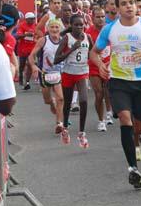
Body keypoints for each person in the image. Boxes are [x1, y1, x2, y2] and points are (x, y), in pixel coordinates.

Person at [90, 0, 141, 189]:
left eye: (131, 2)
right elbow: (94, 52)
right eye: (124, 3)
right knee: (124, 118)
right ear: (117, 8)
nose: (129, 6)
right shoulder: (109, 29)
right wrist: (99, 65)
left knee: (139, 124)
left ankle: (137, 140)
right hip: (119, 81)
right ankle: (132, 168)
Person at [54, 14, 93, 148]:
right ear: (71, 26)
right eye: (76, 25)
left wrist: (100, 65)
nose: (79, 27)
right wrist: (72, 49)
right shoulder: (67, 38)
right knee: (68, 103)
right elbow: (56, 59)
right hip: (68, 73)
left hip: (82, 73)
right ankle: (65, 128)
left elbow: (93, 53)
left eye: (81, 25)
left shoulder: (88, 37)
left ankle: (81, 133)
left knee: (84, 100)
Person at [29, 19, 65, 134]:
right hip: (45, 74)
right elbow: (31, 56)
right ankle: (51, 103)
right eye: (52, 27)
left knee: (60, 98)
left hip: (59, 73)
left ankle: (59, 123)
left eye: (56, 27)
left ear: (60, 29)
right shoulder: (43, 40)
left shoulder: (64, 41)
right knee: (47, 100)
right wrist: (34, 67)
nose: (54, 30)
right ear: (48, 29)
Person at [86, 8, 113, 132]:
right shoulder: (88, 32)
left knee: (108, 91)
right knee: (99, 93)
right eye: (98, 17)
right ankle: (101, 121)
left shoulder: (110, 29)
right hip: (94, 67)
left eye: (103, 16)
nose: (101, 19)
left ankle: (109, 113)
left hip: (108, 65)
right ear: (92, 18)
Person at [16, 12, 37, 89]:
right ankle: (21, 76)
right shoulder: (22, 25)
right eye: (31, 19)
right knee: (22, 65)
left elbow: (39, 35)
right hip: (23, 49)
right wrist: (26, 35)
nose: (33, 20)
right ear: (27, 19)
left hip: (32, 49)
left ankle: (27, 82)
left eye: (34, 18)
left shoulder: (36, 26)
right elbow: (17, 36)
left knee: (30, 64)